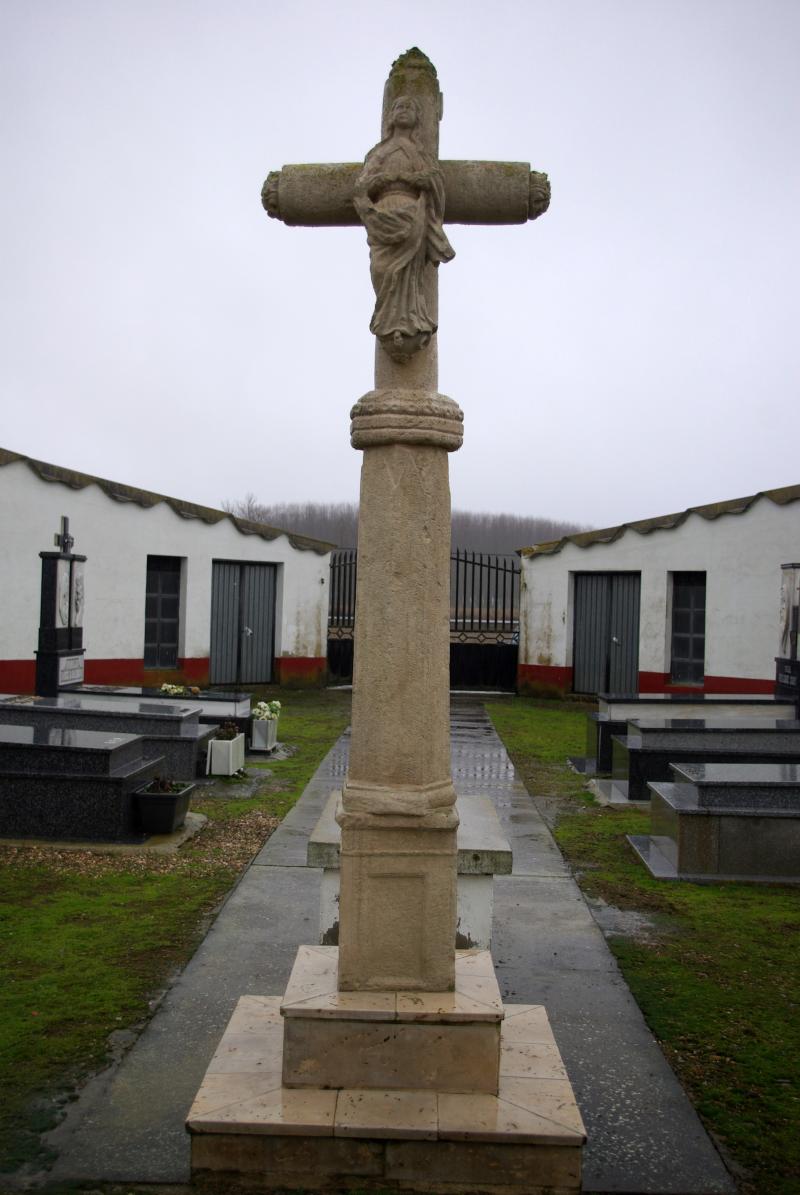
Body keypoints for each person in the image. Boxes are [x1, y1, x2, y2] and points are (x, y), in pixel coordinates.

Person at [353, 95, 455, 362]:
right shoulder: (379, 153)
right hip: (381, 218)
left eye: (409, 107)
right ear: (390, 116)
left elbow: (434, 179)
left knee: (409, 275)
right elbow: (362, 186)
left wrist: (418, 179)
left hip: (413, 218)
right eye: (399, 106)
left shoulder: (419, 153)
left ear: (418, 118)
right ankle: (388, 320)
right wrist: (379, 181)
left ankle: (409, 322)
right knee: (382, 270)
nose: (404, 110)